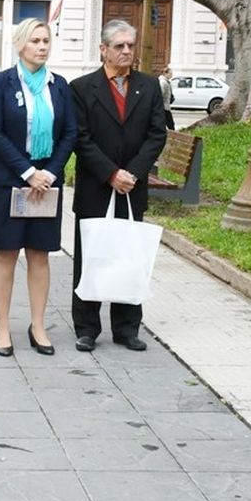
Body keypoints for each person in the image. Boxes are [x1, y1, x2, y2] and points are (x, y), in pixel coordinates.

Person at [69, 18, 168, 352]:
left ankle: (127, 328)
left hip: (132, 188)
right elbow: (80, 138)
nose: (127, 51)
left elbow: (157, 134)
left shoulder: (149, 86)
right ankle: (86, 327)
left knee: (130, 255)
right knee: (90, 256)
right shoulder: (82, 88)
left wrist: (134, 173)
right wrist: (111, 173)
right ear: (103, 50)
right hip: (96, 186)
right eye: (119, 46)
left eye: (130, 45)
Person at [0, 19, 77, 356]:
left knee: (40, 255)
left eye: (46, 40)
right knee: (5, 253)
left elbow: (69, 134)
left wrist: (49, 173)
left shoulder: (60, 85)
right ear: (20, 44)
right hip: (8, 182)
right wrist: (27, 172)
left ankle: (38, 325)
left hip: (46, 186)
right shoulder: (2, 83)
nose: (41, 46)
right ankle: (3, 326)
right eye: (35, 40)